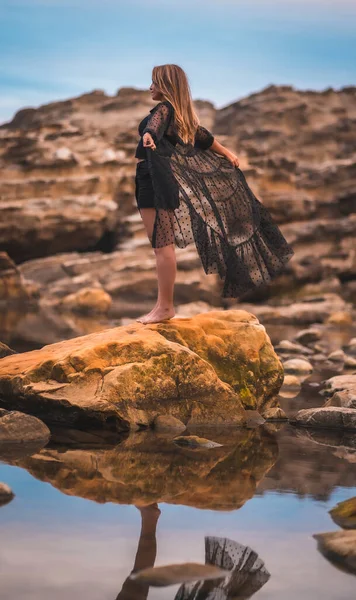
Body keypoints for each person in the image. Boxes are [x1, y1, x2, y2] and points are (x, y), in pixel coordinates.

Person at [134, 64, 294, 325]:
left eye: (154, 82)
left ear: (165, 85)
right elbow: (202, 137)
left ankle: (165, 308)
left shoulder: (164, 110)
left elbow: (155, 125)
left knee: (162, 248)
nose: (149, 87)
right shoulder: (178, 114)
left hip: (153, 180)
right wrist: (227, 152)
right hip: (153, 178)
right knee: (161, 247)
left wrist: (150, 135)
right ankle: (162, 306)